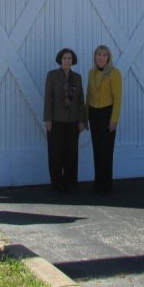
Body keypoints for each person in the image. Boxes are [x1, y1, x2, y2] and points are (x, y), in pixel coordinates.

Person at [43, 48, 84, 192]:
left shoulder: (77, 77)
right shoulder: (53, 75)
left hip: (73, 121)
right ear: (60, 60)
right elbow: (48, 98)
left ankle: (70, 183)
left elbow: (80, 100)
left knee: (71, 152)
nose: (67, 60)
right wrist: (47, 119)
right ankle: (57, 183)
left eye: (70, 58)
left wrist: (82, 120)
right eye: (65, 58)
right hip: (56, 120)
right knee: (55, 153)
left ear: (73, 61)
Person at [85, 44, 122, 193]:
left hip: (107, 114)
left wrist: (114, 120)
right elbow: (88, 96)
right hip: (94, 114)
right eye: (99, 54)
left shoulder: (114, 73)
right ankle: (98, 184)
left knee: (106, 151)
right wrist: (85, 116)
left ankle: (106, 187)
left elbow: (118, 99)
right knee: (97, 150)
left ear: (108, 58)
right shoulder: (91, 72)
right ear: (95, 56)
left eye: (104, 55)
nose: (101, 57)